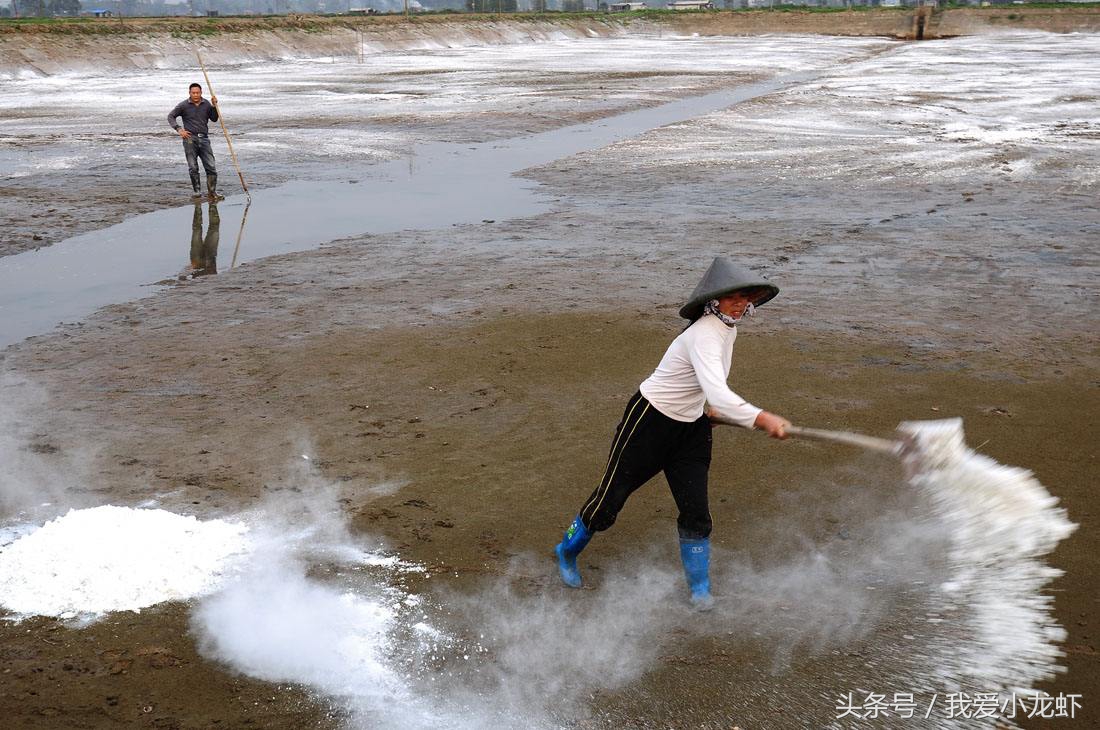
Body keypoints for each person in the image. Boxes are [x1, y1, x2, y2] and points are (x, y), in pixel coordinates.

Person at [554, 257, 791, 609]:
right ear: (714, 300)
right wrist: (760, 417)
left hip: (691, 429)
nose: (741, 305)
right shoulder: (703, 333)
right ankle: (566, 551)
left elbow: (711, 386)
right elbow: (719, 391)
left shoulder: (728, 329)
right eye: (733, 298)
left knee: (696, 512)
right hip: (649, 422)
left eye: (747, 298)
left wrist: (717, 413)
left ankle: (700, 589)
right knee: (607, 504)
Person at [168, 83, 221, 200]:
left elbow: (214, 119)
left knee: (211, 166)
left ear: (201, 92)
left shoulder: (206, 104)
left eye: (198, 93)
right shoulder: (183, 105)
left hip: (205, 139)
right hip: (190, 139)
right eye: (193, 93)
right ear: (189, 93)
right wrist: (179, 129)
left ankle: (212, 192)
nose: (196, 95)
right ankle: (197, 192)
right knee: (193, 167)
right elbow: (171, 116)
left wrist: (214, 106)